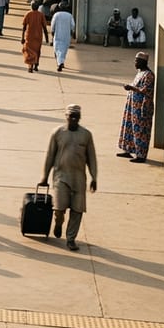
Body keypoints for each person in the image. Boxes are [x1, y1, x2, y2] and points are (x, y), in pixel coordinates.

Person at [38, 104, 98, 251]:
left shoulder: (86, 135)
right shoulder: (58, 133)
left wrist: (94, 177)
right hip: (61, 177)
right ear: (66, 117)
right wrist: (44, 176)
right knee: (59, 209)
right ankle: (58, 223)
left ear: (79, 118)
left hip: (79, 179)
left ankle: (71, 239)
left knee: (77, 211)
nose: (73, 119)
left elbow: (92, 158)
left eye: (76, 117)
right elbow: (49, 155)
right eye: (70, 116)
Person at [118, 51, 155, 163]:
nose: (135, 63)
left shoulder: (148, 75)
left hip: (142, 107)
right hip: (133, 105)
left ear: (143, 62)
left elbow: (145, 90)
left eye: (137, 61)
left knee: (141, 130)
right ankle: (128, 149)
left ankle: (141, 155)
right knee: (129, 127)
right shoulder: (140, 72)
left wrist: (131, 87)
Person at [21, 0, 50, 73]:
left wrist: (22, 37)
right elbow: (44, 27)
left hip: (29, 36)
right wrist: (47, 38)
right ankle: (36, 65)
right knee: (37, 51)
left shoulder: (28, 14)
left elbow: (24, 27)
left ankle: (30, 66)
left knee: (29, 51)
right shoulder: (41, 15)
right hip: (38, 36)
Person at [51, 2, 76, 72]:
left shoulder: (56, 15)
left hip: (57, 35)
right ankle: (61, 62)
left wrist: (52, 32)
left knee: (57, 49)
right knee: (64, 50)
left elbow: (53, 24)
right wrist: (72, 32)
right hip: (66, 35)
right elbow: (73, 25)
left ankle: (59, 63)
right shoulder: (69, 15)